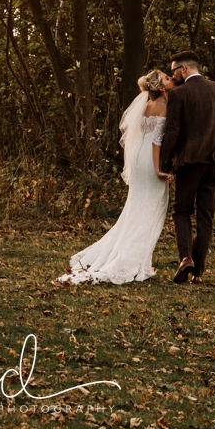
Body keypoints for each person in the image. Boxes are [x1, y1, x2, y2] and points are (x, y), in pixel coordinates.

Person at [56, 70, 175, 285]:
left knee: (136, 208)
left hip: (139, 158)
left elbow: (141, 136)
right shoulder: (163, 106)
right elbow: (157, 142)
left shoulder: (147, 105)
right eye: (167, 78)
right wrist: (158, 169)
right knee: (150, 208)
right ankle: (131, 260)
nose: (171, 79)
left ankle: (139, 260)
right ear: (160, 88)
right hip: (150, 160)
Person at [158, 50, 215, 284]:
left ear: (184, 69)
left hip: (190, 162)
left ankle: (185, 258)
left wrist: (165, 165)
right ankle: (199, 274)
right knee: (206, 216)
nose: (173, 77)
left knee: (182, 211)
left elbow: (172, 132)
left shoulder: (180, 94)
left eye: (173, 71)